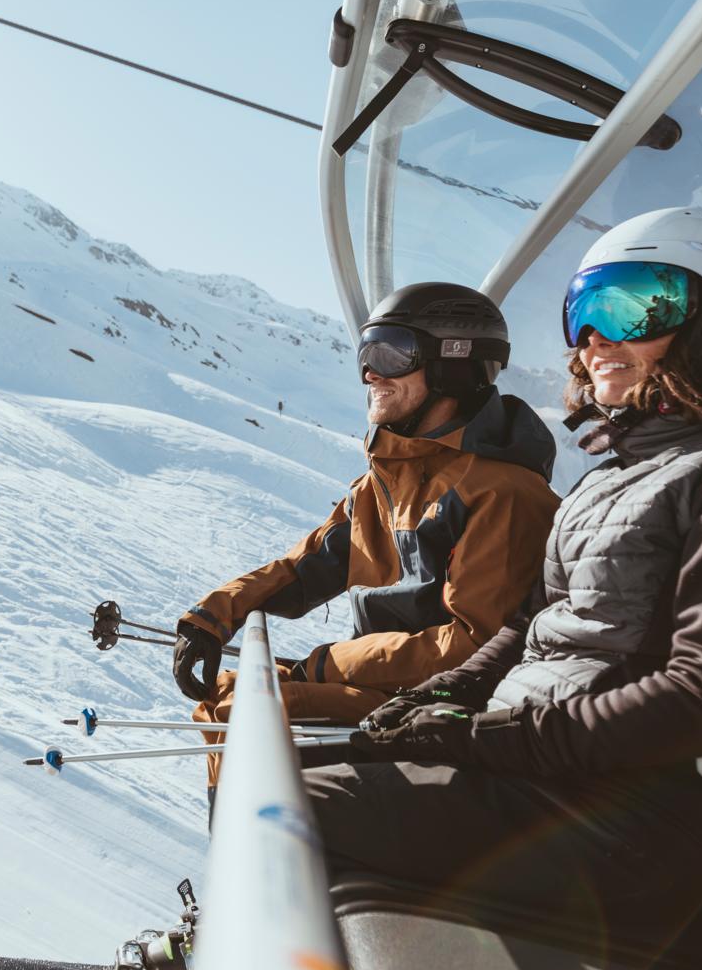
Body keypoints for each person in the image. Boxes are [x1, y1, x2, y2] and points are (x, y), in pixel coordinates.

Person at [307, 207, 702, 925]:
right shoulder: (624, 467)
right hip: (547, 770)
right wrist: (445, 694)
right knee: (291, 768)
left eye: (633, 305)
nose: (596, 337)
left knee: (283, 809)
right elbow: (535, 620)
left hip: (627, 822)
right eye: (583, 311)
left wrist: (490, 739)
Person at [172, 282, 560, 792]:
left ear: (454, 365)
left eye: (391, 352)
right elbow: (305, 567)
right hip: (379, 681)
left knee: (260, 705)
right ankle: (240, 855)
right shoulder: (385, 478)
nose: (370, 372)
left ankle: (274, 857)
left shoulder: (503, 491)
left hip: (440, 704)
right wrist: (213, 615)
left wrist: (326, 665)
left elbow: (472, 644)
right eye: (365, 354)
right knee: (232, 697)